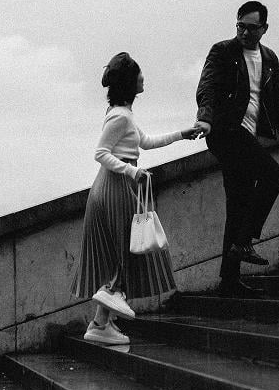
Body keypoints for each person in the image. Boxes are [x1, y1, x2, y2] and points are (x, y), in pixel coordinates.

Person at [72, 52, 202, 344]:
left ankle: (99, 323)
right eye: (140, 73)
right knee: (125, 252)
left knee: (121, 252)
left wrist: (183, 134)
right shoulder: (120, 116)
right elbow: (100, 153)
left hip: (113, 186)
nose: (144, 77)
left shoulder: (123, 114)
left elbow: (145, 142)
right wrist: (132, 172)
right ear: (131, 82)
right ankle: (107, 304)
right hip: (116, 186)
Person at [195, 0, 279, 297]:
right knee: (273, 176)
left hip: (250, 136)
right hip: (227, 132)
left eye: (250, 28)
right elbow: (208, 87)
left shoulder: (269, 58)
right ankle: (244, 242)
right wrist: (205, 118)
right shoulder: (223, 51)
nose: (243, 32)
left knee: (237, 204)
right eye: (239, 25)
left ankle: (229, 280)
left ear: (263, 29)